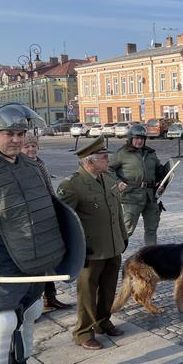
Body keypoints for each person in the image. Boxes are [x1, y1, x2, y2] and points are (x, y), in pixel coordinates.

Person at [0, 103, 71, 364]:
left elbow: (50, 207)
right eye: (9, 133)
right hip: (0, 261)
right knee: (2, 321)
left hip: (35, 259)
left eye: (21, 133)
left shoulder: (32, 165)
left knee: (30, 313)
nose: (16, 139)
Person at [57, 137, 129, 351]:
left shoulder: (107, 179)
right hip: (90, 251)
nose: (108, 160)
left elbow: (117, 211)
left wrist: (123, 237)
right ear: (90, 161)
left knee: (108, 288)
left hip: (113, 246)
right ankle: (83, 332)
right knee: (87, 292)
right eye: (104, 157)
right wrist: (75, 249)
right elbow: (63, 222)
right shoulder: (72, 185)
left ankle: (102, 321)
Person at [21, 131, 73, 311]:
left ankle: (50, 298)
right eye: (26, 146)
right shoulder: (21, 167)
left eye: (33, 146)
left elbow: (49, 190)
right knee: (35, 264)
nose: (30, 149)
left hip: (46, 217)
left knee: (48, 260)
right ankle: (31, 304)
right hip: (29, 222)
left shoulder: (40, 164)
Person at [109, 123, 170, 246]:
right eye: (136, 138)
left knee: (152, 229)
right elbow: (108, 168)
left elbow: (160, 171)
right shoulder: (122, 153)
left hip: (150, 196)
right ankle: (114, 257)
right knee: (127, 229)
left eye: (142, 138)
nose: (139, 141)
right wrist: (118, 182)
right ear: (131, 138)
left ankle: (151, 257)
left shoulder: (151, 154)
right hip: (131, 197)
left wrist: (162, 184)